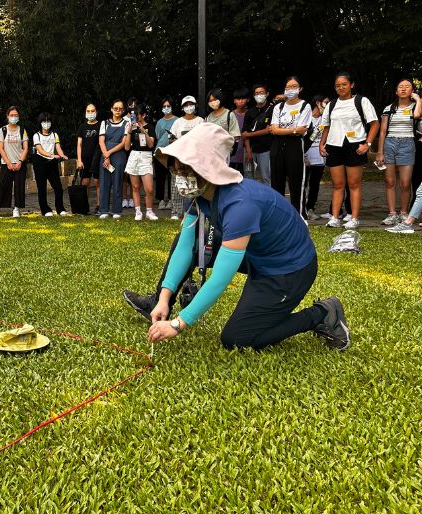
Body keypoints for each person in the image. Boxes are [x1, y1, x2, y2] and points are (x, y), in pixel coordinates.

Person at [122, 123, 350, 352]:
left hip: (288, 270)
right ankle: (157, 303)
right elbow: (185, 245)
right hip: (258, 256)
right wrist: (164, 297)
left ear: (207, 167)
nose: (180, 178)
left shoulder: (241, 205)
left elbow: (222, 275)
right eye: (177, 171)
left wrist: (179, 323)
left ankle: (322, 314)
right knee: (190, 240)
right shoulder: (200, 195)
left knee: (238, 339)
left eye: (187, 170)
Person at [319, 71, 380, 229]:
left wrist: (367, 143)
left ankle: (354, 218)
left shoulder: (362, 101)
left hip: (355, 145)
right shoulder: (332, 104)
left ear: (352, 85)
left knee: (354, 183)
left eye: (344, 84)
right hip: (334, 145)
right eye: (337, 85)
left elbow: (375, 123)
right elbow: (326, 126)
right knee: (338, 184)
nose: (340, 87)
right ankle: (334, 217)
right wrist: (321, 144)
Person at [376, 78, 422, 226]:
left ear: (412, 91)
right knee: (390, 181)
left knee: (406, 182)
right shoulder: (389, 108)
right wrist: (380, 152)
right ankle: (392, 214)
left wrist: (418, 99)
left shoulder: (416, 107)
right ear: (396, 91)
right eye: (400, 87)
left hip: (408, 143)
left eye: (407, 87)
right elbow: (382, 131)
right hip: (390, 143)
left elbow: (417, 115)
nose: (403, 89)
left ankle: (403, 212)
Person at [268, 76, 313, 217]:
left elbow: (302, 129)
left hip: (295, 146)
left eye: (294, 86)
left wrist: (285, 130)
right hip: (277, 146)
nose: (290, 90)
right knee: (276, 181)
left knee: (296, 181)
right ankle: (278, 214)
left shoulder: (305, 106)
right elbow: (274, 129)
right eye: (288, 87)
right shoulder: (278, 107)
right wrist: (293, 130)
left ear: (300, 89)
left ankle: (299, 214)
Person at [167, 96, 204, 220]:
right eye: (186, 105)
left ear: (195, 105)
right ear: (183, 107)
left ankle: (193, 212)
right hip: (180, 158)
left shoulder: (200, 121)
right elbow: (171, 139)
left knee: (194, 185)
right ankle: (176, 212)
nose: (189, 107)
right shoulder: (178, 122)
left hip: (196, 158)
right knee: (180, 184)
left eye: (191, 104)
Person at [0, 107, 29, 219]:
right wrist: (8, 162)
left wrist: (20, 161)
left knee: (19, 187)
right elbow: (1, 148)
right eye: (12, 115)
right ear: (7, 116)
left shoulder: (22, 130)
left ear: (19, 117)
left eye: (16, 115)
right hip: (6, 163)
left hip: (20, 163)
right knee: (3, 186)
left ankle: (16, 209)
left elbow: (25, 148)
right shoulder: (3, 130)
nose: (14, 117)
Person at [98, 100, 131, 219]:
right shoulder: (104, 123)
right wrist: (105, 155)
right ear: (111, 109)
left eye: (120, 109)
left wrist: (109, 153)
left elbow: (123, 143)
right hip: (105, 154)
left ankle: (117, 210)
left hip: (118, 155)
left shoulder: (126, 123)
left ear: (123, 110)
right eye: (115, 108)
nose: (117, 111)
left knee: (118, 182)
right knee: (104, 183)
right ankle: (103, 210)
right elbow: (101, 141)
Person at [125, 103, 158, 221]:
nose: (135, 117)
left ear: (143, 115)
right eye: (133, 115)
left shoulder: (150, 127)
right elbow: (127, 147)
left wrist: (144, 131)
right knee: (135, 187)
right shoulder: (131, 127)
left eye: (137, 115)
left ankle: (149, 211)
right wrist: (129, 132)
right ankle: (138, 211)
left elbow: (151, 144)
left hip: (146, 157)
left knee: (149, 188)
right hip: (133, 156)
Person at [32, 112, 69, 216]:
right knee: (42, 187)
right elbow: (40, 149)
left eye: (48, 121)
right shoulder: (36, 136)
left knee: (58, 187)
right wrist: (51, 155)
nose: (46, 123)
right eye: (44, 121)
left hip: (52, 163)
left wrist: (62, 155)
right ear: (40, 122)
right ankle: (45, 210)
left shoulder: (54, 134)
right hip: (40, 162)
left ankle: (60, 208)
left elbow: (58, 147)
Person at [241, 83, 275, 184]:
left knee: (266, 177)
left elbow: (268, 130)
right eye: (256, 93)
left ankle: (268, 198)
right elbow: (244, 133)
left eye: (261, 93)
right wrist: (248, 151)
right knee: (249, 177)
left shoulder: (273, 109)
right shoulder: (250, 112)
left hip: (266, 149)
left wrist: (249, 135)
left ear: (267, 93)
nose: (259, 95)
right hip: (250, 149)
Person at [205, 88, 241, 168]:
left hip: (224, 153)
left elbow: (236, 136)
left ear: (221, 99)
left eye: (215, 99)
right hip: (211, 152)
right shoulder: (208, 117)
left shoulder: (229, 114)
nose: (212, 102)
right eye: (210, 101)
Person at [304, 95, 327, 220]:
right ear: (318, 103)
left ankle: (311, 208)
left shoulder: (325, 119)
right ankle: (301, 208)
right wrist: (303, 156)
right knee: (303, 184)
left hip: (320, 157)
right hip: (306, 157)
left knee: (315, 184)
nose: (327, 105)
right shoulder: (306, 118)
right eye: (325, 102)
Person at [76, 103, 101, 214]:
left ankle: (99, 206)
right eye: (88, 111)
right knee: (84, 183)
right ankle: (83, 207)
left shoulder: (101, 125)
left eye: (92, 111)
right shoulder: (82, 127)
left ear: (96, 112)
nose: (90, 113)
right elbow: (79, 145)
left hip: (97, 158)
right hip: (84, 159)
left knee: (98, 182)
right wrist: (79, 160)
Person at [154, 97, 177, 209]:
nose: (166, 108)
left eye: (168, 106)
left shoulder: (178, 120)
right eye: (164, 106)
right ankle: (161, 200)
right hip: (160, 152)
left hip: (173, 152)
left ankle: (172, 200)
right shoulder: (159, 122)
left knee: (172, 176)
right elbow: (158, 136)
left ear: (172, 107)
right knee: (160, 177)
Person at [122, 97, 138, 208]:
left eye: (134, 105)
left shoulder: (137, 118)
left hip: (135, 148)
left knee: (133, 174)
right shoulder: (123, 119)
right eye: (130, 105)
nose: (132, 107)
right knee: (124, 175)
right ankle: (123, 199)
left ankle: (132, 198)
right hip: (124, 148)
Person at [231, 88, 249, 173]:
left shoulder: (251, 114)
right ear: (234, 101)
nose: (240, 101)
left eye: (243, 98)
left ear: (248, 99)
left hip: (247, 153)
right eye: (238, 99)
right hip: (232, 154)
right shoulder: (229, 115)